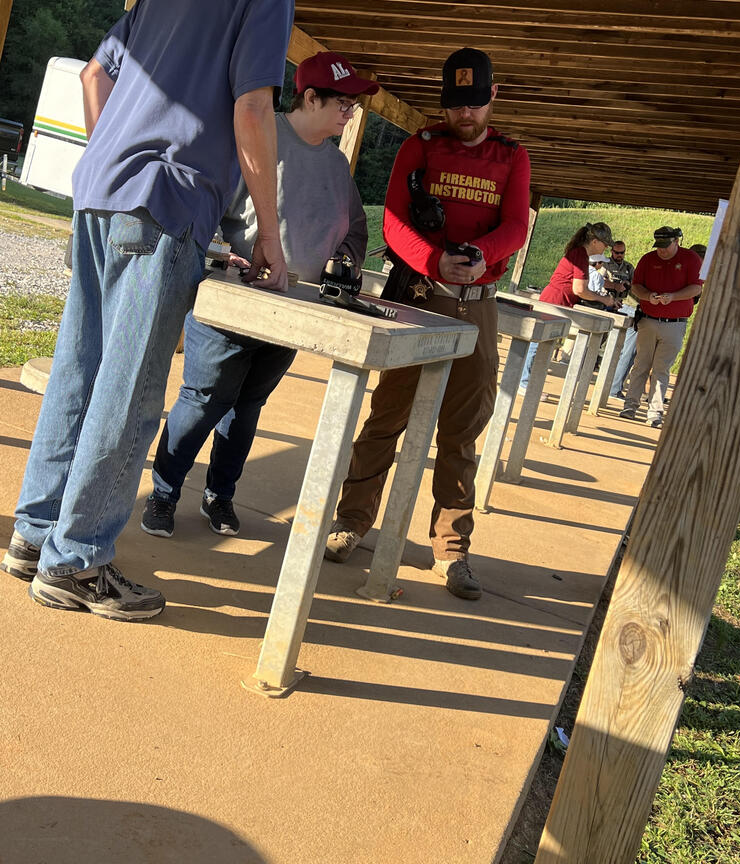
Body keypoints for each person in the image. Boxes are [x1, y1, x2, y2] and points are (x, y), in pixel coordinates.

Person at [0, 0, 345, 621]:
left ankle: (34, 536)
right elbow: (253, 110)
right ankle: (77, 561)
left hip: (100, 194)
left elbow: (97, 75)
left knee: (79, 369)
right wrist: (270, 242)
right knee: (128, 390)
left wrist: (112, 157)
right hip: (165, 205)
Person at [324, 47, 531, 601]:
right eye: (455, 104)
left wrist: (482, 253)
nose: (465, 115)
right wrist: (434, 260)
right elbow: (392, 221)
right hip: (418, 294)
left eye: (474, 104)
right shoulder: (420, 145)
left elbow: (516, 224)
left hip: (478, 299)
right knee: (387, 413)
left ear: (493, 97)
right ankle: (352, 520)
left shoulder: (513, 156)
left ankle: (451, 548)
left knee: (463, 427)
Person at [140, 52, 374, 538]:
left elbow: (355, 226)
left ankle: (219, 495)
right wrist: (224, 256)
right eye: (344, 103)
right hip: (232, 306)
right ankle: (163, 492)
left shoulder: (336, 165)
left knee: (246, 408)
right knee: (205, 399)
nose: (351, 113)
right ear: (310, 97)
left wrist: (344, 262)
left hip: (294, 313)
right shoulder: (258, 139)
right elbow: (204, 213)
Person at [619, 226, 702, 429]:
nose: (661, 251)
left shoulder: (691, 259)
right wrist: (648, 296)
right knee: (641, 364)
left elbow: (696, 287)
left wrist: (673, 297)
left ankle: (654, 411)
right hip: (648, 319)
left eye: (666, 246)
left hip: (675, 323)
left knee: (662, 368)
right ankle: (630, 406)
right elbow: (636, 285)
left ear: (677, 242)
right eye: (659, 246)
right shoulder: (648, 259)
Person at [519, 222, 616, 391]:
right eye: (605, 243)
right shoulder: (580, 255)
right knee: (538, 344)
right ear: (594, 242)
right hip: (555, 302)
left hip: (557, 301)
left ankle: (529, 382)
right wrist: (604, 300)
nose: (606, 246)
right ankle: (524, 382)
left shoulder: (580, 254)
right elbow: (579, 289)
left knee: (543, 344)